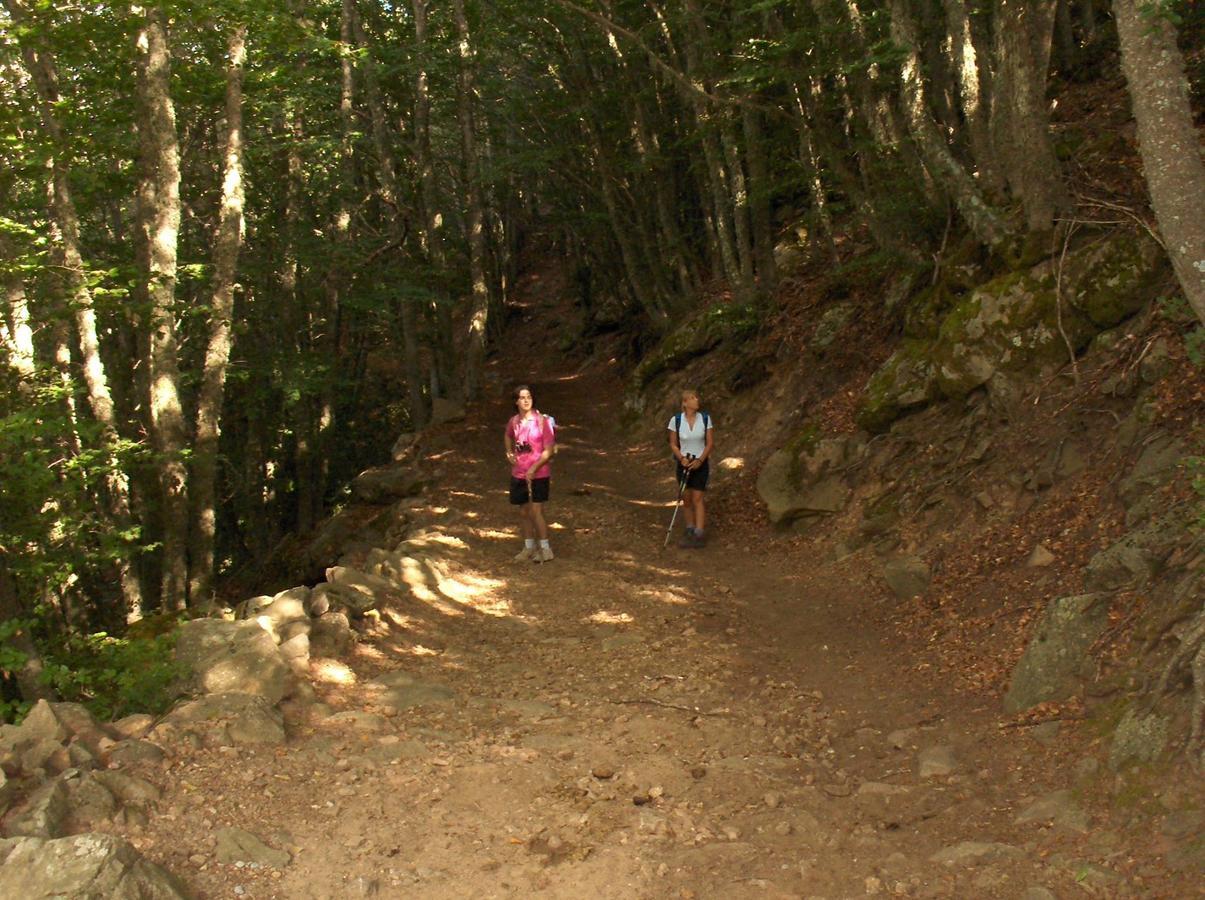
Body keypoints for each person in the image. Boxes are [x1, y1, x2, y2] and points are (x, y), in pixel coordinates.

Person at [505, 385, 556, 563]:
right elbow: (508, 436)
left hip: (539, 473)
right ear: (516, 401)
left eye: (529, 397)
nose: (526, 400)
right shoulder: (514, 422)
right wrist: (509, 452)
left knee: (536, 511)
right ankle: (528, 547)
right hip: (519, 473)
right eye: (522, 397)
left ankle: (545, 548)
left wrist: (534, 468)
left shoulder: (542, 422)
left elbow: (549, 450)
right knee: (524, 512)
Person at [667, 389, 713, 548]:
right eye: (692, 398)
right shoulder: (676, 420)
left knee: (698, 498)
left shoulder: (705, 419)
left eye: (696, 397)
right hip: (684, 463)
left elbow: (709, 443)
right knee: (686, 498)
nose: (696, 400)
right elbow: (673, 443)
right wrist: (681, 458)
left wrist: (701, 459)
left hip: (700, 463)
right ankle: (690, 527)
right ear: (685, 403)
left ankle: (699, 533)